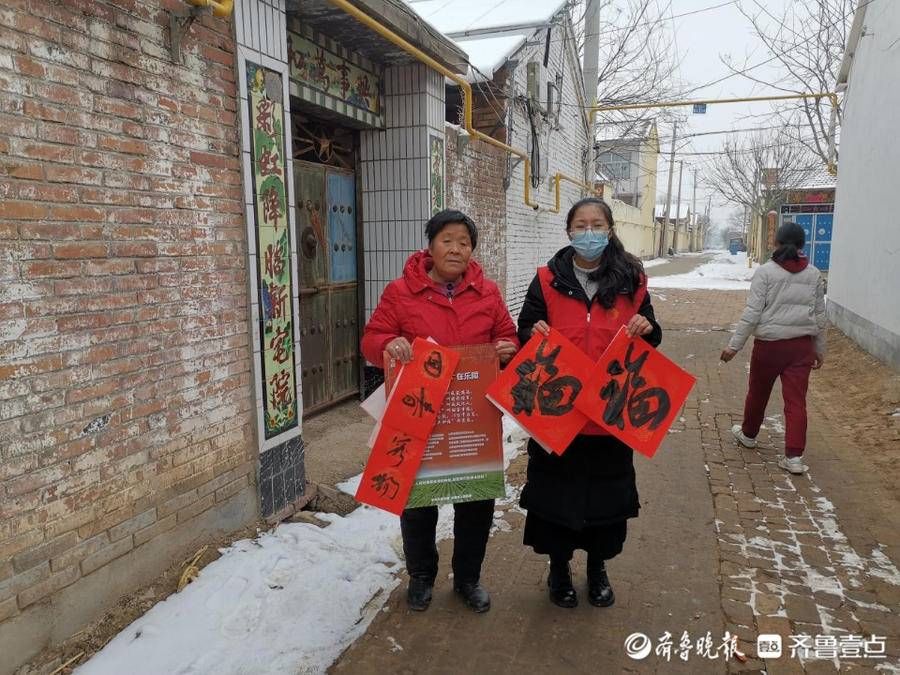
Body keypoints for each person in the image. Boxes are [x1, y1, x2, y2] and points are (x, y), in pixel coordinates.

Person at [361, 209, 519, 613]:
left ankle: (468, 578)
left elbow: (508, 337)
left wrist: (506, 350)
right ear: (430, 245)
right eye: (447, 239)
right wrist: (388, 345)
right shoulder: (401, 292)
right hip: (419, 415)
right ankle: (421, 577)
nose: (456, 248)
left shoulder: (488, 293)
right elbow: (372, 339)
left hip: (472, 416)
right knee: (418, 502)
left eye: (464, 242)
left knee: (476, 501)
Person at [516, 197, 662, 609]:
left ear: (610, 229)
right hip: (557, 414)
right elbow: (525, 328)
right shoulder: (546, 279)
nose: (589, 232)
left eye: (597, 224)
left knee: (606, 501)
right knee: (555, 499)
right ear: (568, 232)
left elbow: (651, 333)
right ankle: (558, 570)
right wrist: (533, 330)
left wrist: (646, 327)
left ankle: (598, 568)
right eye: (581, 225)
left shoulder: (632, 279)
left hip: (610, 415)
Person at [720, 221, 826, 475]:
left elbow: (752, 313)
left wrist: (734, 346)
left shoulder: (766, 272)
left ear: (776, 243)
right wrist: (820, 350)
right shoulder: (813, 274)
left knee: (758, 393)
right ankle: (794, 457)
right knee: (796, 402)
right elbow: (821, 316)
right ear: (801, 246)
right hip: (801, 348)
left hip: (769, 347)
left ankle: (748, 434)